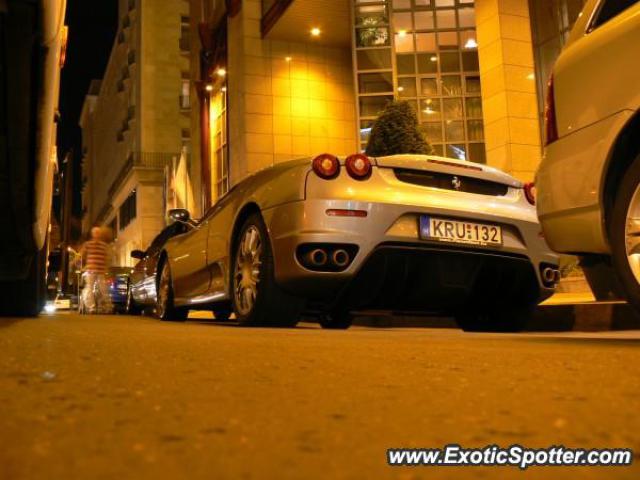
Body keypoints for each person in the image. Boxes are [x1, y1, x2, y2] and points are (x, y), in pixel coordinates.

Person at [79, 227, 113, 314]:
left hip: (101, 271)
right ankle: (92, 308)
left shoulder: (104, 246)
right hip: (90, 270)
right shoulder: (88, 244)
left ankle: (108, 307)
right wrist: (80, 264)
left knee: (104, 289)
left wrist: (107, 269)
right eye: (95, 233)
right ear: (92, 234)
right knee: (89, 288)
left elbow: (108, 258)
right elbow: (82, 254)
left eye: (98, 233)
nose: (97, 234)